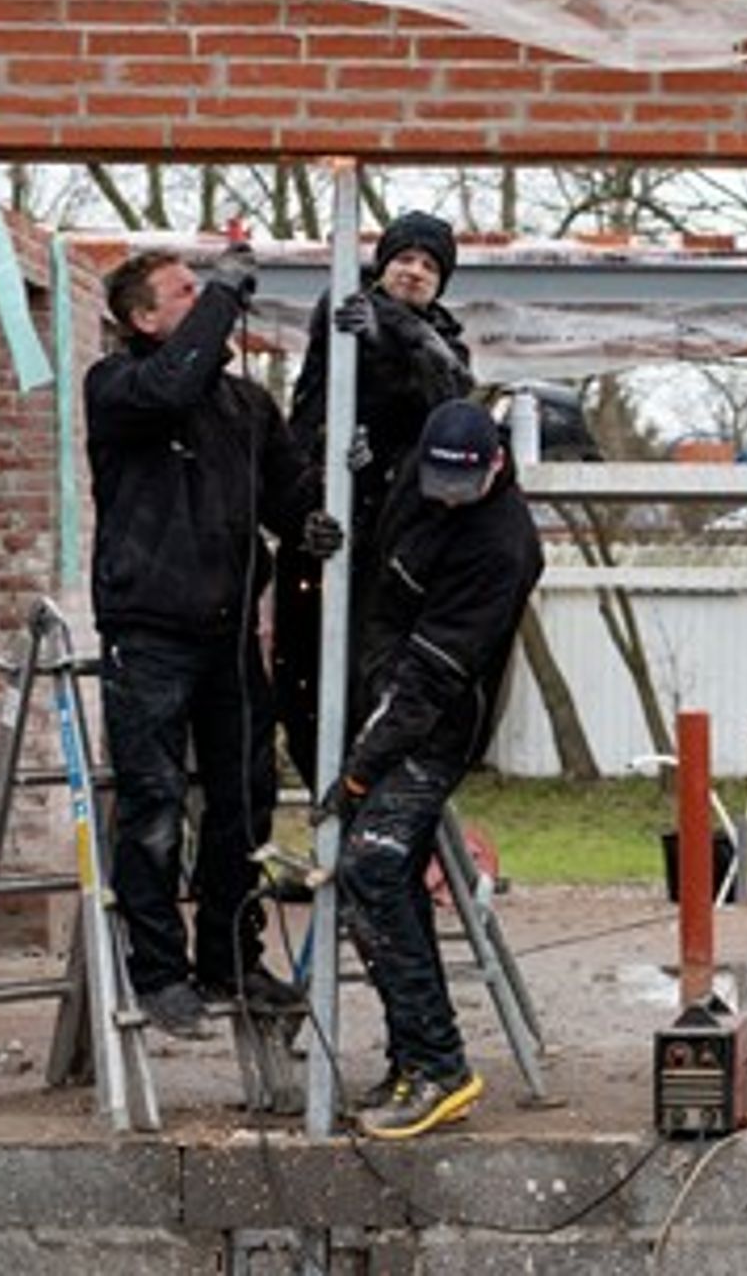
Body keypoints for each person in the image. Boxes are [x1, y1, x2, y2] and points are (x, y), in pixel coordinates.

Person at [86, 245, 341, 1040]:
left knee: (243, 805)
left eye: (206, 290)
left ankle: (229, 959)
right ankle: (158, 970)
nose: (203, 302)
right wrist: (225, 296)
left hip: (230, 638)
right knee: (156, 804)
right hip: (151, 633)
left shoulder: (241, 407)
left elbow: (287, 493)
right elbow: (173, 382)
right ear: (142, 318)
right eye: (185, 292)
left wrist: (316, 514)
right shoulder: (122, 388)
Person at [320, 399, 543, 1138]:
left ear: (496, 465)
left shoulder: (503, 547)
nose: (445, 499)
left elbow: (432, 674)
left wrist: (361, 766)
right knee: (366, 885)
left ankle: (442, 1064)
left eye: (461, 488)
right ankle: (412, 1054)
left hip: (434, 721)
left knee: (375, 866)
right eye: (436, 482)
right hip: (380, 689)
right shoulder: (421, 471)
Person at [274, 211, 475, 790]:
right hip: (329, 520)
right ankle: (326, 806)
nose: (413, 272)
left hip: (395, 536)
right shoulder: (341, 307)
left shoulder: (441, 341)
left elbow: (450, 393)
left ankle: (369, 816)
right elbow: (311, 410)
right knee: (303, 681)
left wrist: (397, 330)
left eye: (429, 265)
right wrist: (316, 493)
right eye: (404, 259)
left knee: (375, 678)